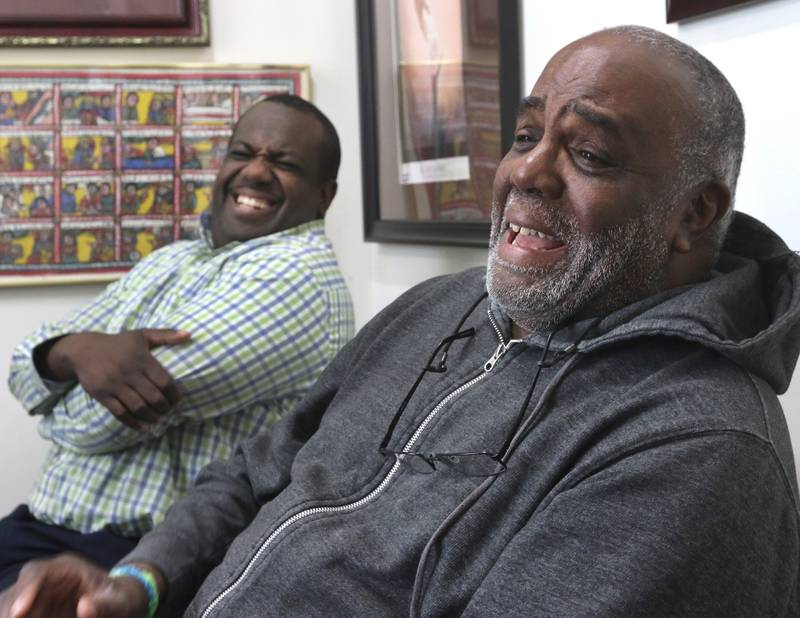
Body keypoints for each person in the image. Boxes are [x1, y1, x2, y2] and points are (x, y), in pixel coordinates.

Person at [3, 25, 800, 618]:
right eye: (525, 137)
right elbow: (254, 471)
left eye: (587, 153)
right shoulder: (440, 307)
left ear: (693, 214)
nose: (525, 170)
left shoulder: (696, 446)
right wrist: (139, 585)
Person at [0, 95, 354, 592]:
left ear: (323, 195)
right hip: (40, 527)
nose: (254, 172)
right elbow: (21, 367)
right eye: (242, 152)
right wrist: (73, 350)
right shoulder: (175, 259)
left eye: (283, 162)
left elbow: (97, 424)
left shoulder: (295, 277)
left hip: (140, 562)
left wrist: (63, 386)